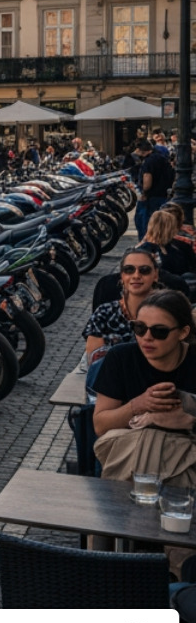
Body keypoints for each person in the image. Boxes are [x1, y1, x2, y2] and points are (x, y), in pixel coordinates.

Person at [91, 289, 196, 496]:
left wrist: (187, 422)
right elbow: (100, 425)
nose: (147, 338)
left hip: (182, 466)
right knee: (148, 440)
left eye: (159, 331)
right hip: (132, 461)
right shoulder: (121, 358)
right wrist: (138, 405)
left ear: (183, 332)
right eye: (139, 328)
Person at [86, 248, 162, 357]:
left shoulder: (166, 312)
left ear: (155, 275)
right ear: (122, 276)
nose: (136, 276)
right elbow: (95, 361)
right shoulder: (104, 313)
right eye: (129, 269)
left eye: (144, 270)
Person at [137, 139, 174, 238]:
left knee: (146, 224)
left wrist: (144, 193)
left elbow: (147, 180)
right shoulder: (161, 158)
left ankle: (147, 246)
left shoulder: (148, 162)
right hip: (163, 195)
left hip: (152, 197)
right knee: (160, 224)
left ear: (142, 151)